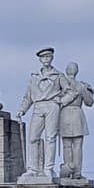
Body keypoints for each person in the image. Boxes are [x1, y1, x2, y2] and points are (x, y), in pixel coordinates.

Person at [16, 47, 63, 178]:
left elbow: (69, 91)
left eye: (48, 56)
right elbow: (28, 96)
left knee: (50, 138)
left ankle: (48, 168)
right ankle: (33, 169)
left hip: (52, 105)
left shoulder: (58, 76)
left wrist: (60, 100)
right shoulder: (34, 77)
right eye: (43, 57)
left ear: (52, 58)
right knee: (32, 138)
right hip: (38, 106)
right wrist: (22, 109)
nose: (46, 59)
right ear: (40, 59)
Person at [58, 61, 94, 179]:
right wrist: (87, 90)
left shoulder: (60, 85)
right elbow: (89, 102)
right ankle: (76, 172)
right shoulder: (81, 85)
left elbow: (89, 103)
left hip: (66, 115)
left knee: (68, 146)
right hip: (75, 115)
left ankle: (71, 171)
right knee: (76, 146)